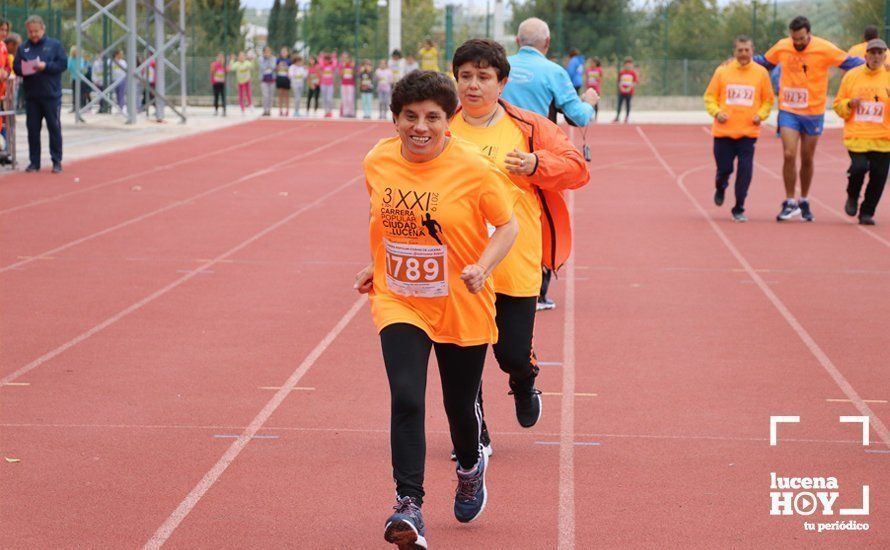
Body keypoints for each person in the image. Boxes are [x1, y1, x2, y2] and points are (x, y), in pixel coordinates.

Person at [355, 69, 520, 548]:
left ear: (450, 121)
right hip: (398, 298)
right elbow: (384, 218)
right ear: (395, 119)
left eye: (432, 117)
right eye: (409, 117)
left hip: (460, 302)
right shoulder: (378, 160)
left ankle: (470, 465)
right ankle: (409, 505)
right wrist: (375, 262)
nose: (420, 127)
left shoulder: (474, 168)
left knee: (458, 408)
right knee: (406, 396)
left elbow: (506, 228)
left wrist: (483, 268)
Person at [448, 39, 590, 455]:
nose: (473, 85)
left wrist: (537, 165)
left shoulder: (528, 127)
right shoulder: (443, 126)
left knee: (510, 353)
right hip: (460, 264)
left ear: (501, 82)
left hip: (515, 261)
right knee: (463, 359)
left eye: (483, 77)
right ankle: (474, 437)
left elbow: (577, 169)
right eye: (465, 76)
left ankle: (523, 380)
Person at [501, 17, 598, 311]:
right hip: (536, 157)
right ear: (547, 44)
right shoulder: (553, 71)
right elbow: (579, 116)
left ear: (517, 42)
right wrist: (590, 100)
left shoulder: (499, 67)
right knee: (540, 219)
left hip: (495, 148)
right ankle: (536, 291)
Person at [755, 16, 863, 222]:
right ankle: (789, 201)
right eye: (794, 39)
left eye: (802, 39)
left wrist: (880, 65)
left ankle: (803, 200)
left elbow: (851, 62)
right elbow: (764, 62)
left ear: (809, 35)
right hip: (789, 109)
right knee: (788, 154)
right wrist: (740, 61)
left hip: (813, 112)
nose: (798, 43)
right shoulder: (782, 47)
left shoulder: (824, 48)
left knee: (807, 158)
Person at [703, 36, 774, 223]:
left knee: (745, 171)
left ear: (753, 51)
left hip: (748, 133)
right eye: (740, 50)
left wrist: (761, 114)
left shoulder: (761, 73)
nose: (743, 53)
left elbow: (768, 99)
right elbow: (710, 97)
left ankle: (739, 207)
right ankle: (720, 186)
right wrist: (717, 112)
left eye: (747, 50)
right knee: (724, 169)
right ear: (734, 52)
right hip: (724, 132)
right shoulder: (722, 71)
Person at [834, 38, 890, 226]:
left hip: (883, 138)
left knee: (879, 176)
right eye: (872, 53)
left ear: (885, 56)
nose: (876, 57)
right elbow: (838, 106)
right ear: (865, 55)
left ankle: (867, 211)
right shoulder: (852, 76)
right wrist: (849, 104)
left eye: (880, 53)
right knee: (858, 167)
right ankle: (852, 194)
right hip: (857, 135)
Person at [13, 15, 67, 174]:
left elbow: (62, 64)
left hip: (51, 96)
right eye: (30, 32)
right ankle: (34, 162)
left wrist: (46, 66)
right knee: (33, 129)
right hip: (31, 97)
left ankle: (56, 161)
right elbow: (16, 67)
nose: (33, 35)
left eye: (36, 31)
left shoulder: (55, 45)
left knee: (54, 128)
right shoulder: (23, 48)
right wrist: (26, 68)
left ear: (43, 29)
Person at [614, 57, 638, 123]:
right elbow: (619, 81)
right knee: (619, 104)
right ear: (624, 65)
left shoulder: (633, 73)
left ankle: (627, 117)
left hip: (629, 92)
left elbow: (634, 82)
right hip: (621, 92)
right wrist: (621, 88)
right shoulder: (622, 73)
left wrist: (629, 88)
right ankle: (617, 116)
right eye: (627, 65)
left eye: (630, 65)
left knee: (628, 105)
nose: (628, 66)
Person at [318, 51, 338, 117]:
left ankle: (330, 111)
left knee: (329, 98)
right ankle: (326, 111)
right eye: (325, 59)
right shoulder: (323, 66)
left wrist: (334, 57)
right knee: (324, 98)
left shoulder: (332, 66)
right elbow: (320, 62)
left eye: (328, 59)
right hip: (323, 84)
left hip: (330, 85)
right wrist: (321, 56)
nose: (326, 60)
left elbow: (335, 63)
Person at [258, 46, 276, 116]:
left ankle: (269, 110)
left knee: (271, 96)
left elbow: (273, 66)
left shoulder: (273, 58)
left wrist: (269, 59)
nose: (267, 53)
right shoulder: (260, 59)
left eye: (268, 51)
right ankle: (265, 110)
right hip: (264, 79)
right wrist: (266, 60)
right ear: (263, 52)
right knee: (265, 95)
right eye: (266, 51)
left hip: (272, 79)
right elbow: (262, 67)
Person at [585, 56, 603, 121]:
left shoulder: (599, 70)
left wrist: (597, 79)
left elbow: (601, 79)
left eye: (593, 63)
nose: (592, 64)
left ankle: (596, 116)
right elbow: (586, 79)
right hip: (589, 89)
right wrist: (586, 88)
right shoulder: (588, 70)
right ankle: (590, 116)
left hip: (596, 89)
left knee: (596, 104)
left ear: (596, 63)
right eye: (591, 63)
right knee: (589, 104)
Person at [275, 47, 291, 117]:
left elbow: (291, 70)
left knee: (286, 95)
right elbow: (275, 69)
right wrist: (279, 66)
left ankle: (287, 110)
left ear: (287, 53)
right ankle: (280, 110)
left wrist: (287, 68)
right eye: (282, 51)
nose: (284, 53)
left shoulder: (289, 61)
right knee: (280, 94)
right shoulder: (278, 60)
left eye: (285, 51)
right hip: (279, 78)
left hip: (286, 78)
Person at [210, 52, 227, 116]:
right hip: (215, 83)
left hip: (222, 83)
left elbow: (227, 70)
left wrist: (223, 65)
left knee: (223, 96)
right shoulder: (214, 64)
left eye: (221, 57)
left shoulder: (223, 65)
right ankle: (216, 110)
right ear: (217, 58)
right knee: (216, 96)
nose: (220, 58)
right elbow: (212, 71)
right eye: (219, 57)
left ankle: (224, 110)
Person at [340, 52, 356, 118]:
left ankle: (351, 112)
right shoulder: (342, 65)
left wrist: (352, 67)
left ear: (349, 58)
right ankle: (345, 112)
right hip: (344, 84)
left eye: (346, 58)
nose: (345, 59)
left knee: (350, 98)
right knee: (344, 98)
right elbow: (341, 75)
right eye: (343, 58)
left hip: (350, 84)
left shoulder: (352, 65)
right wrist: (343, 67)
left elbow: (354, 74)